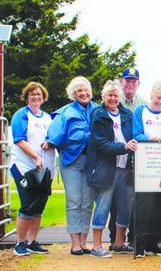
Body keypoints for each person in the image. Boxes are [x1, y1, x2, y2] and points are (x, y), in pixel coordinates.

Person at [86, 80, 138, 258]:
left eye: (116, 95)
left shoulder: (127, 114)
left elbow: (135, 135)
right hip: (106, 168)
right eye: (110, 95)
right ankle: (96, 246)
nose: (113, 98)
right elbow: (101, 144)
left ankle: (118, 243)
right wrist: (124, 146)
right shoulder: (98, 115)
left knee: (125, 206)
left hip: (126, 167)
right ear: (103, 97)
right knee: (103, 206)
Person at [46, 76, 97, 255]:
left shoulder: (98, 110)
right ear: (74, 94)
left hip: (92, 162)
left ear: (90, 92)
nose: (83, 93)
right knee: (74, 200)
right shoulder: (65, 112)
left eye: (86, 90)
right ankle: (74, 242)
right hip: (71, 161)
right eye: (79, 91)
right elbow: (54, 133)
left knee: (88, 202)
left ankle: (84, 241)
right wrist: (50, 142)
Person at [10, 82, 54, 256]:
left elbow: (52, 137)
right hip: (25, 166)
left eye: (38, 94)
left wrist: (50, 143)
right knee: (27, 204)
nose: (36, 96)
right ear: (26, 96)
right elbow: (19, 140)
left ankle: (32, 241)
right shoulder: (21, 115)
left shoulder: (47, 118)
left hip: (44, 168)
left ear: (43, 97)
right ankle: (20, 243)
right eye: (32, 94)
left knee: (39, 206)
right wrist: (35, 156)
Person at [132, 80, 161, 258]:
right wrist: (156, 138)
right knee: (143, 205)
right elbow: (137, 134)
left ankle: (157, 243)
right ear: (151, 95)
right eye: (158, 98)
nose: (160, 102)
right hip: (145, 164)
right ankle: (140, 243)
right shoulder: (140, 111)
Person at [109, 67, 145, 248]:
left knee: (133, 201)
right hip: (116, 156)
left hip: (136, 157)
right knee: (115, 201)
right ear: (121, 81)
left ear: (138, 84)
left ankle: (133, 239)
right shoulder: (114, 99)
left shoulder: (143, 104)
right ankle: (114, 239)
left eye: (133, 81)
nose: (130, 84)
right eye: (127, 80)